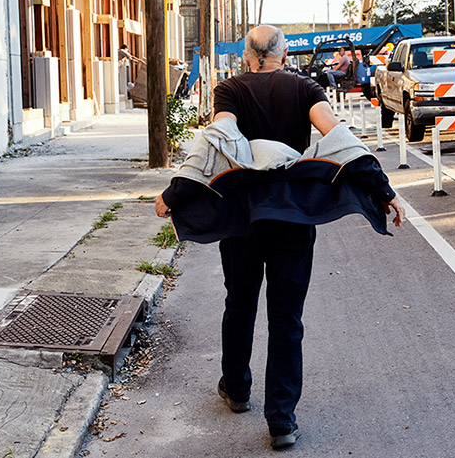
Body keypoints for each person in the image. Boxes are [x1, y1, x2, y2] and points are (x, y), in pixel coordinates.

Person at [155, 25, 404, 450]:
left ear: (248, 57)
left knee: (240, 303)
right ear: (283, 54)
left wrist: (174, 193)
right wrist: (383, 191)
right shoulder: (305, 89)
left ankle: (235, 389)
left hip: (243, 219)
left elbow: (219, 138)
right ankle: (282, 421)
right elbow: (339, 138)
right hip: (292, 218)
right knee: (286, 318)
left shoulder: (229, 90)